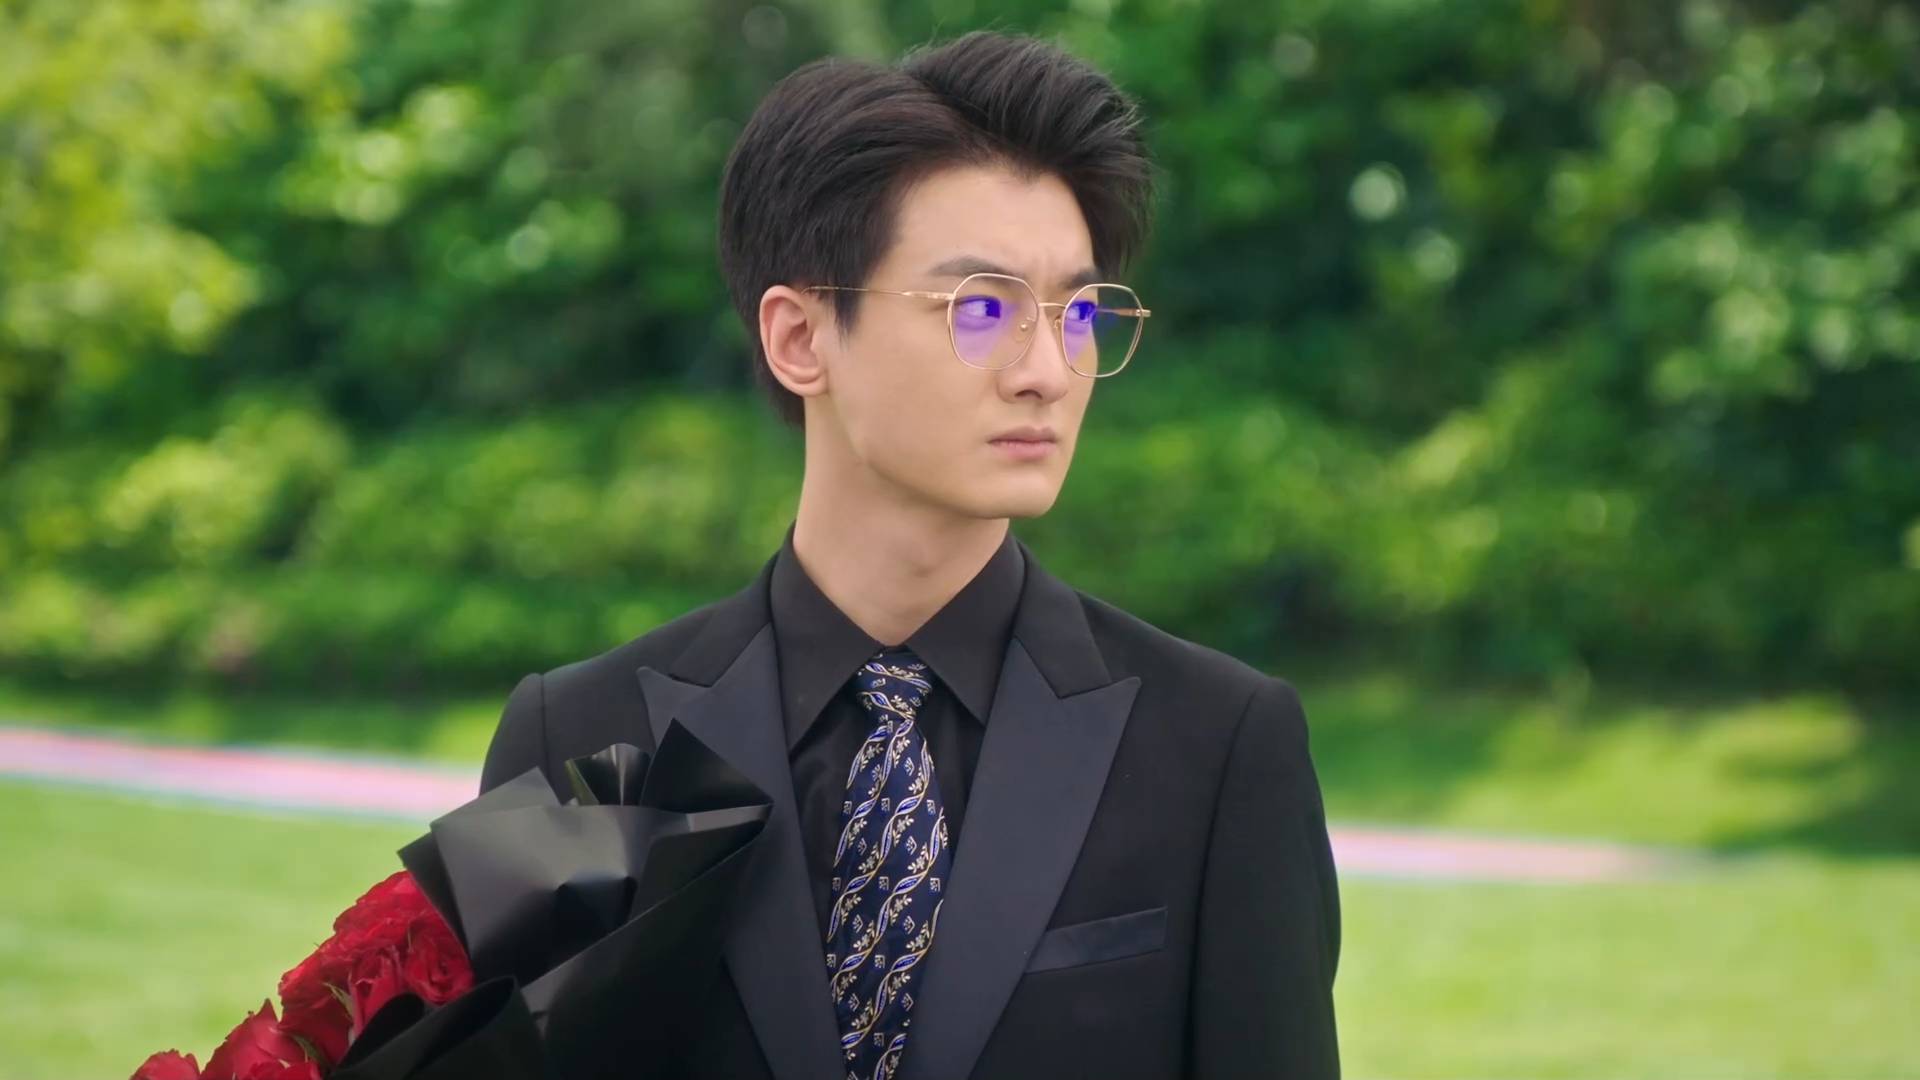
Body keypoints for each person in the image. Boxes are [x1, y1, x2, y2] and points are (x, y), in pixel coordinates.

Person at [478, 29, 1341, 1080]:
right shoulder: (578, 740)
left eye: (1076, 312)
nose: (1047, 369)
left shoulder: (1220, 749)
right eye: (982, 309)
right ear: (800, 339)